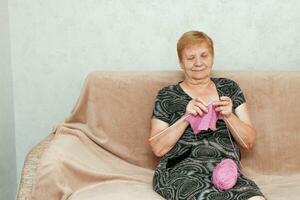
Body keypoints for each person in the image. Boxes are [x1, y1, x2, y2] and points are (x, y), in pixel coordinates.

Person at [149, 31, 266, 200]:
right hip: (181, 170)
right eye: (190, 58)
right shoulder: (167, 95)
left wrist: (229, 116)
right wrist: (185, 117)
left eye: (204, 55)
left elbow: (248, 141)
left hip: (225, 171)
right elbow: (157, 148)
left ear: (212, 57)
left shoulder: (229, 88)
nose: (198, 63)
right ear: (181, 62)